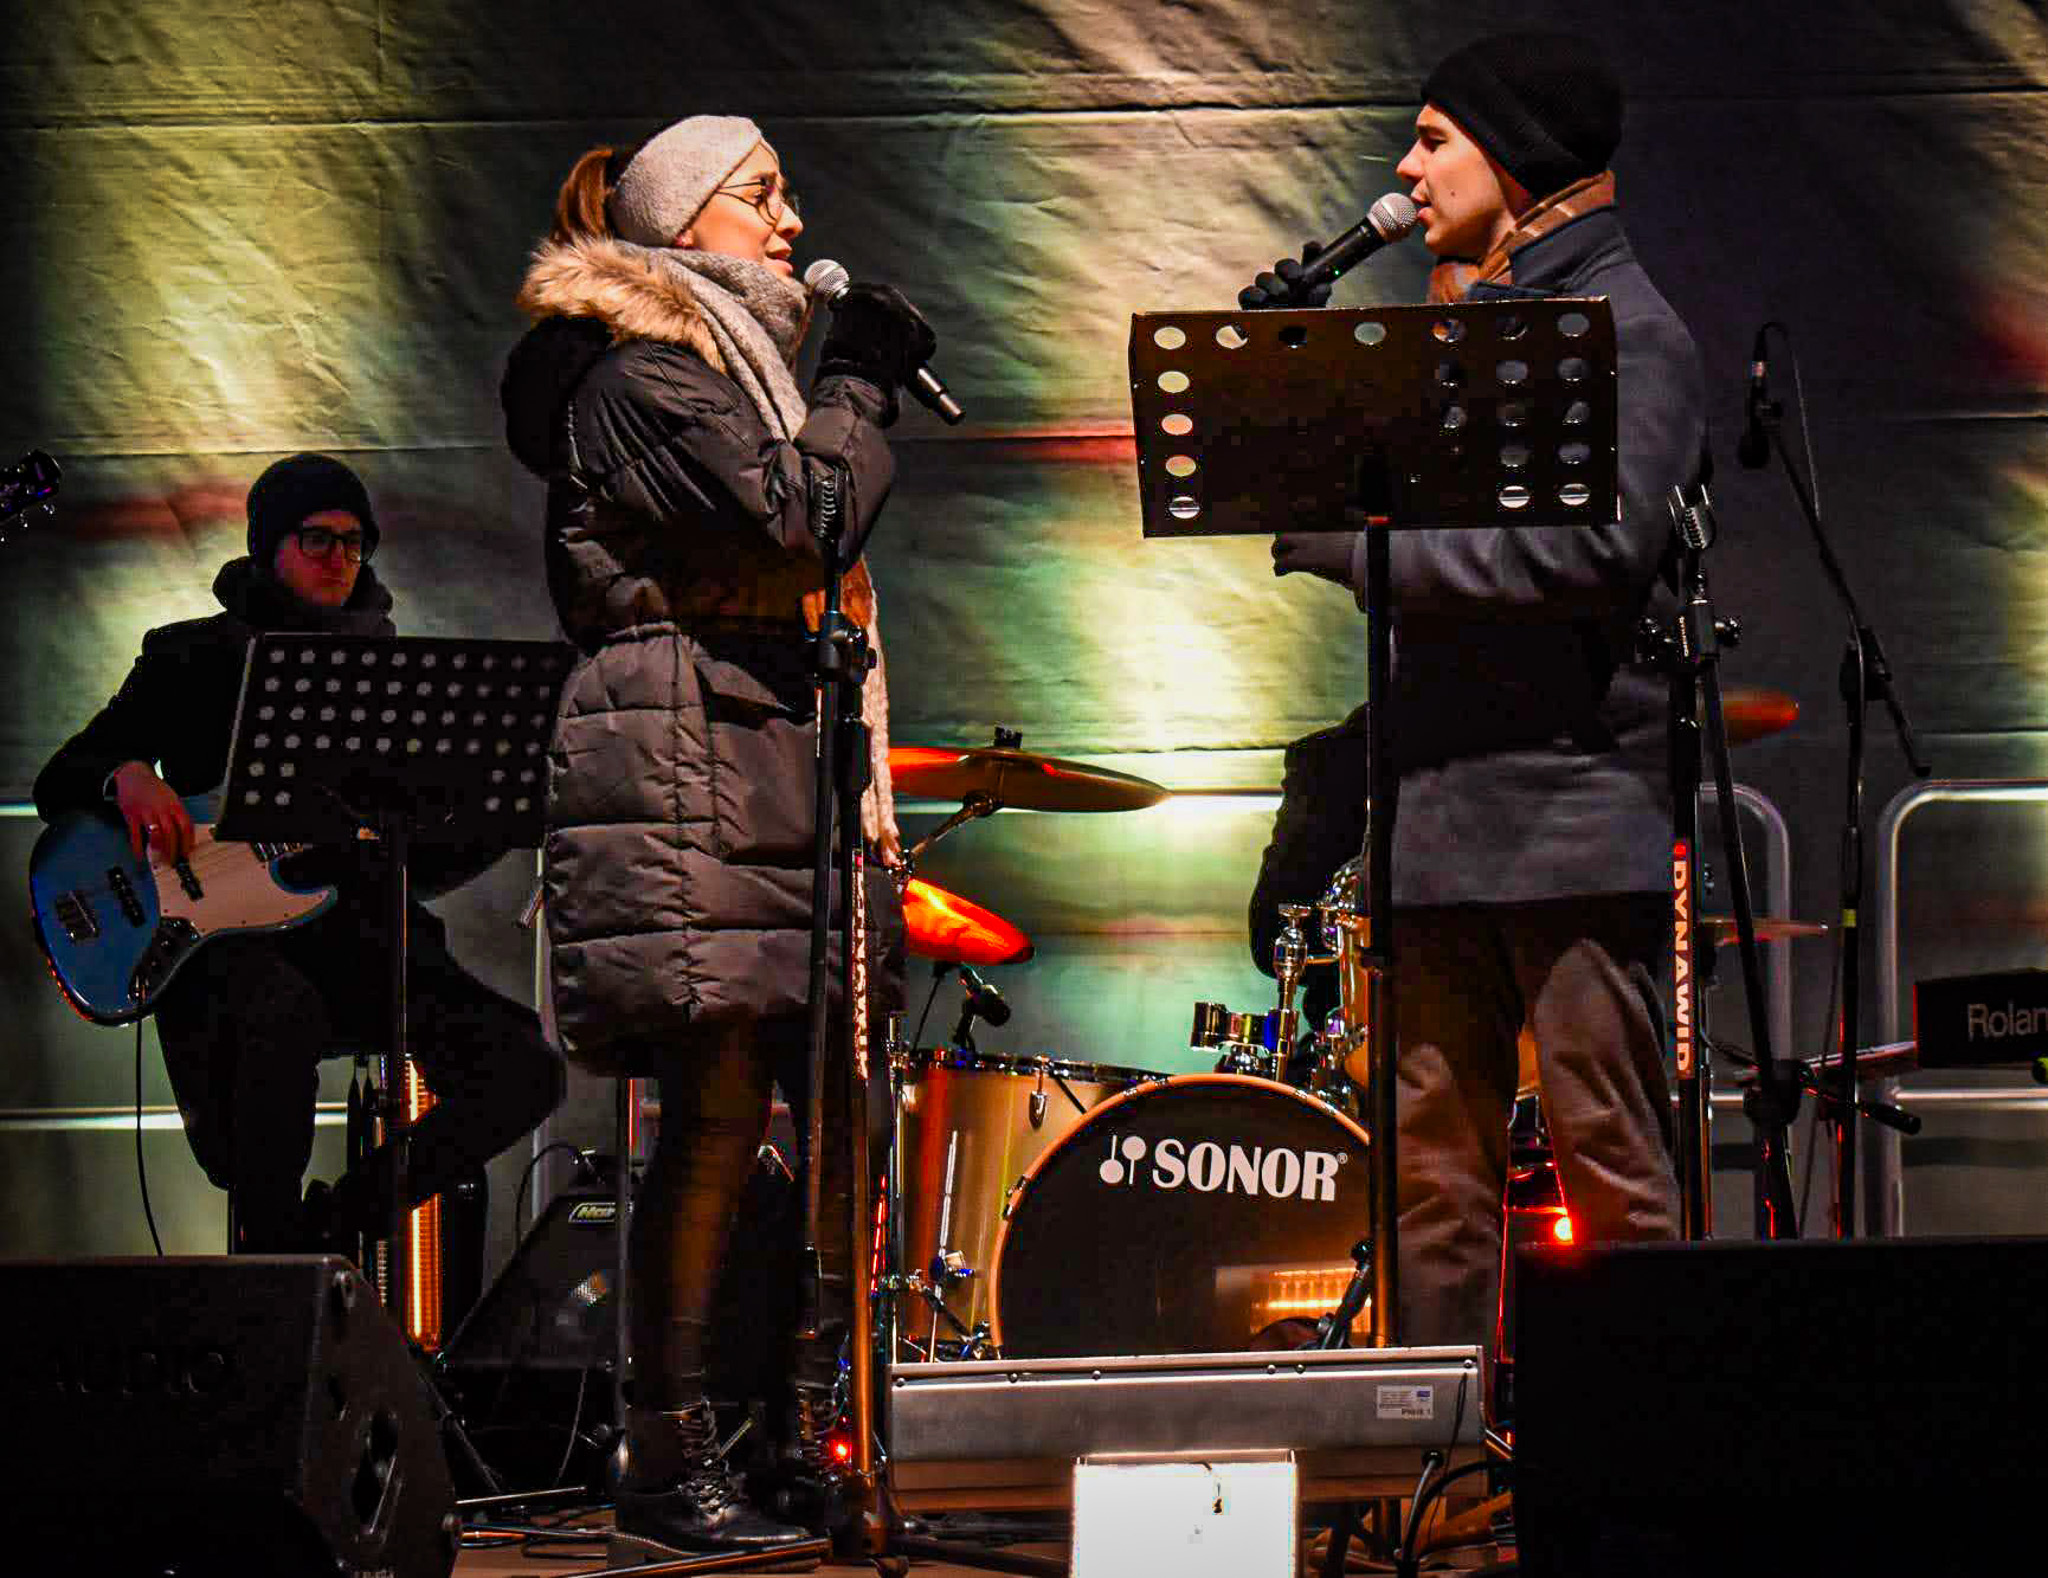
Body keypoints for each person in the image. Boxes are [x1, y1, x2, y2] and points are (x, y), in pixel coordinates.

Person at [500, 116, 927, 1552]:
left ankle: (777, 1432)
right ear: (684, 229)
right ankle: (665, 1454)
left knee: (799, 1114)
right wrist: (861, 382)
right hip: (683, 749)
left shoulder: (717, 372)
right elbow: (804, 516)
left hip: (753, 748)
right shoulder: (640, 376)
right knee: (717, 1113)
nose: (793, 220)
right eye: (764, 197)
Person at [1247, 32, 1697, 1363]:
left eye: (1436, 135)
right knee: (1424, 1189)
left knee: (1613, 1174)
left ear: (1519, 157)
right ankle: (1429, 1495)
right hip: (1436, 819)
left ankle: (1649, 1487)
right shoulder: (1470, 323)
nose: (1407, 163)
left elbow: (1589, 555)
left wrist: (1358, 548)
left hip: (1565, 821)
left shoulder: (1630, 330)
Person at [33, 453, 564, 1259]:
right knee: (278, 1013)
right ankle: (271, 1258)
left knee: (527, 1070)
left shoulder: (395, 677)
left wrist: (505, 814)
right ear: (265, 546)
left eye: (355, 544)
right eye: (316, 539)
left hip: (358, 942)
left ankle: (338, 1227)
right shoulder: (190, 655)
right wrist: (129, 775)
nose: (339, 559)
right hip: (230, 954)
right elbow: (61, 778)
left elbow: (421, 861)